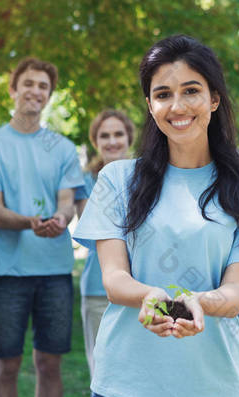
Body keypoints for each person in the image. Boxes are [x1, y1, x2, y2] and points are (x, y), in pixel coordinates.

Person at [73, 35, 239, 397]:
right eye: (162, 94)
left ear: (214, 98)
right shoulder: (117, 179)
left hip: (211, 382)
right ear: (150, 105)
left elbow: (235, 293)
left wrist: (198, 303)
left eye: (191, 91)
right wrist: (152, 295)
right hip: (124, 382)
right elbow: (113, 279)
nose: (177, 106)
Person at [0, 57, 85, 397]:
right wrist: (30, 222)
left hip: (54, 271)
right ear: (13, 89)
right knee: (6, 365)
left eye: (43, 86)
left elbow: (67, 201)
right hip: (8, 272)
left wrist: (61, 218)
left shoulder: (62, 148)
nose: (35, 92)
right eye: (28, 84)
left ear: (49, 95)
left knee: (49, 363)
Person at [74, 109, 135, 377]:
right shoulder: (86, 180)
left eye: (118, 134)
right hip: (99, 289)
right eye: (104, 136)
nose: (112, 141)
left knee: (138, 374)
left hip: (143, 286)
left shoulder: (147, 177)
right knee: (103, 372)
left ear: (129, 138)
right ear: (95, 141)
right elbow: (95, 230)